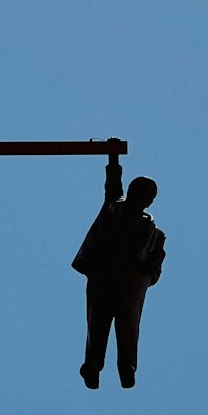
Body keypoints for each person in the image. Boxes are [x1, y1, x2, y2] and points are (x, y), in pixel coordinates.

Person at [72, 150, 164, 389]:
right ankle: (92, 366)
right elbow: (113, 184)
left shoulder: (154, 233)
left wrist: (144, 273)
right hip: (104, 272)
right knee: (97, 323)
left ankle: (127, 367)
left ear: (150, 201)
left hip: (131, 282)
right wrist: (113, 157)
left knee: (128, 325)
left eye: (146, 196)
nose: (140, 198)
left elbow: (156, 267)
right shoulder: (114, 208)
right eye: (138, 192)